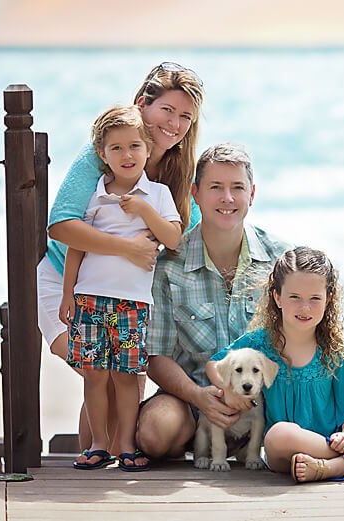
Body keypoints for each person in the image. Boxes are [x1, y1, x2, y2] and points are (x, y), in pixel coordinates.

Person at [37, 62, 204, 460]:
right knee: (104, 376)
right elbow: (61, 226)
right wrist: (128, 248)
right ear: (142, 104)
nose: (175, 124)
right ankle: (98, 453)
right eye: (167, 110)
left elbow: (187, 239)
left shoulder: (175, 173)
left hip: (128, 293)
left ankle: (114, 451)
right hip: (69, 281)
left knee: (124, 375)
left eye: (185, 117)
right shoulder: (108, 150)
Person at [207, 247, 344, 483]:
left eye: (315, 299)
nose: (305, 308)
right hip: (287, 450)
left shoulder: (336, 349)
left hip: (336, 440)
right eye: (294, 297)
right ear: (277, 297)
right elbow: (215, 363)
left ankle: (331, 467)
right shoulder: (259, 344)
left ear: (328, 299)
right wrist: (229, 389)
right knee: (279, 433)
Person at [135, 142, 292, 460]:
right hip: (196, 404)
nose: (228, 198)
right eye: (216, 187)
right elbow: (156, 355)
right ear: (195, 193)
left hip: (268, 403)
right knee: (154, 431)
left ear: (252, 194)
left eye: (237, 187)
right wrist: (199, 397)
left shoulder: (281, 260)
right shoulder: (168, 267)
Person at [59, 105, 182, 471]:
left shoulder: (158, 195)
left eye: (134, 146)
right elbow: (75, 248)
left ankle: (126, 445)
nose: (127, 155)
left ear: (147, 148)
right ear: (102, 154)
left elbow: (172, 237)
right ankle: (99, 444)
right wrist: (68, 295)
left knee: (128, 375)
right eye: (116, 148)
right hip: (90, 300)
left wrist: (144, 211)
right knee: (95, 375)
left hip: (132, 305)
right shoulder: (95, 196)